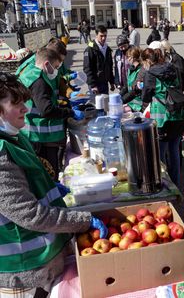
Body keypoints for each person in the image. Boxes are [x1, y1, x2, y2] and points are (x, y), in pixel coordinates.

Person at [0, 72, 107, 297]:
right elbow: (30, 215)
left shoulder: (14, 139)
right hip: (25, 274)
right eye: (16, 103)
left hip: (41, 265)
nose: (26, 109)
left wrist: (49, 188)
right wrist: (82, 221)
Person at [17, 48, 84, 181]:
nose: (57, 71)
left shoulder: (32, 74)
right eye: (56, 67)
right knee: (48, 175)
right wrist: (70, 112)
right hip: (41, 138)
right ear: (46, 64)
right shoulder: (38, 82)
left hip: (36, 135)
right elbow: (46, 109)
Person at [141, 48, 184, 188]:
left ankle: (164, 186)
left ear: (148, 61)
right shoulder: (174, 68)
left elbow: (146, 97)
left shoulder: (150, 74)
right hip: (179, 115)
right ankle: (176, 185)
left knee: (160, 156)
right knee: (174, 152)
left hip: (162, 120)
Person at [83, 25, 115, 95]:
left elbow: (110, 67)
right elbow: (87, 68)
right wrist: (93, 85)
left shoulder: (107, 49)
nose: (103, 38)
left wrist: (112, 82)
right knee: (97, 104)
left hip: (105, 83)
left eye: (105, 36)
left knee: (106, 103)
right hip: (95, 84)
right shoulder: (90, 49)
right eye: (101, 36)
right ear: (96, 35)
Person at [120, 47, 143, 112]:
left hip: (138, 105)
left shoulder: (140, 71)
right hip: (130, 101)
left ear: (133, 57)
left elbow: (135, 90)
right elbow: (127, 86)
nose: (127, 59)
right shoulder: (130, 69)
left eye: (128, 57)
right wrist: (119, 96)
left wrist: (122, 100)